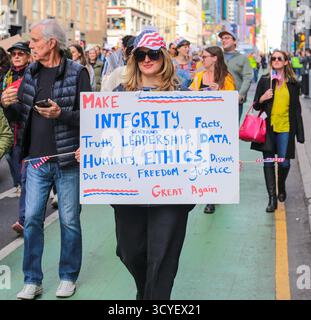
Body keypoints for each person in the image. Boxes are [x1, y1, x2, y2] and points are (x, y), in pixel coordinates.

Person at [77, 28, 195, 300]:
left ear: (163, 57)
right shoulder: (119, 94)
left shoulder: (183, 94)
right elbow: (104, 134)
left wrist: (220, 161)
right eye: (141, 54)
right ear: (133, 59)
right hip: (129, 192)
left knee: (163, 255)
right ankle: (145, 290)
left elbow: (200, 137)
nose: (147, 59)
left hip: (171, 193)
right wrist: (91, 149)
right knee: (130, 251)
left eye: (153, 53)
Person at [2, 19, 91, 300]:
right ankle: (32, 280)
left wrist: (60, 114)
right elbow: (21, 117)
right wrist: (6, 106)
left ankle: (68, 276)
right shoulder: (30, 73)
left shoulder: (79, 73)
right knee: (30, 222)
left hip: (68, 161)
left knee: (69, 221)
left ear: (51, 43)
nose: (30, 46)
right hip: (36, 161)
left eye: (36, 41)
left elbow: (91, 118)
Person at [250, 50, 304, 212]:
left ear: (286, 62)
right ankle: (272, 198)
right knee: (268, 162)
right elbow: (256, 105)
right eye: (273, 58)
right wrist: (262, 98)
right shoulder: (265, 81)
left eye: (280, 58)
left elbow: (296, 110)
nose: (276, 60)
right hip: (267, 128)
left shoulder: (293, 83)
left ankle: (281, 185)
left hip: (286, 127)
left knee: (285, 163)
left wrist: (300, 133)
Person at [189, 46, 236, 214]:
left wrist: (219, 92)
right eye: (202, 56)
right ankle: (208, 193)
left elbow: (232, 102)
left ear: (215, 58)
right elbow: (190, 95)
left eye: (205, 56)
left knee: (214, 160)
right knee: (203, 160)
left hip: (218, 126)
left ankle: (211, 198)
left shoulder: (226, 78)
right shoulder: (200, 75)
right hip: (199, 124)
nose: (202, 59)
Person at [0, 42, 31, 233]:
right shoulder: (7, 76)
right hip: (12, 130)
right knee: (18, 171)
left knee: (27, 176)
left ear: (28, 56)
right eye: (14, 54)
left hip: (29, 131)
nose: (17, 57)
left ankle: (24, 218)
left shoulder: (32, 74)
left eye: (21, 53)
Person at [218, 30, 253, 121]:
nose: (223, 40)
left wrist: (241, 94)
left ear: (234, 41)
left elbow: (248, 78)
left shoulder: (243, 58)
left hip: (234, 99)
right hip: (218, 98)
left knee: (232, 129)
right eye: (222, 38)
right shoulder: (217, 57)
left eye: (227, 38)